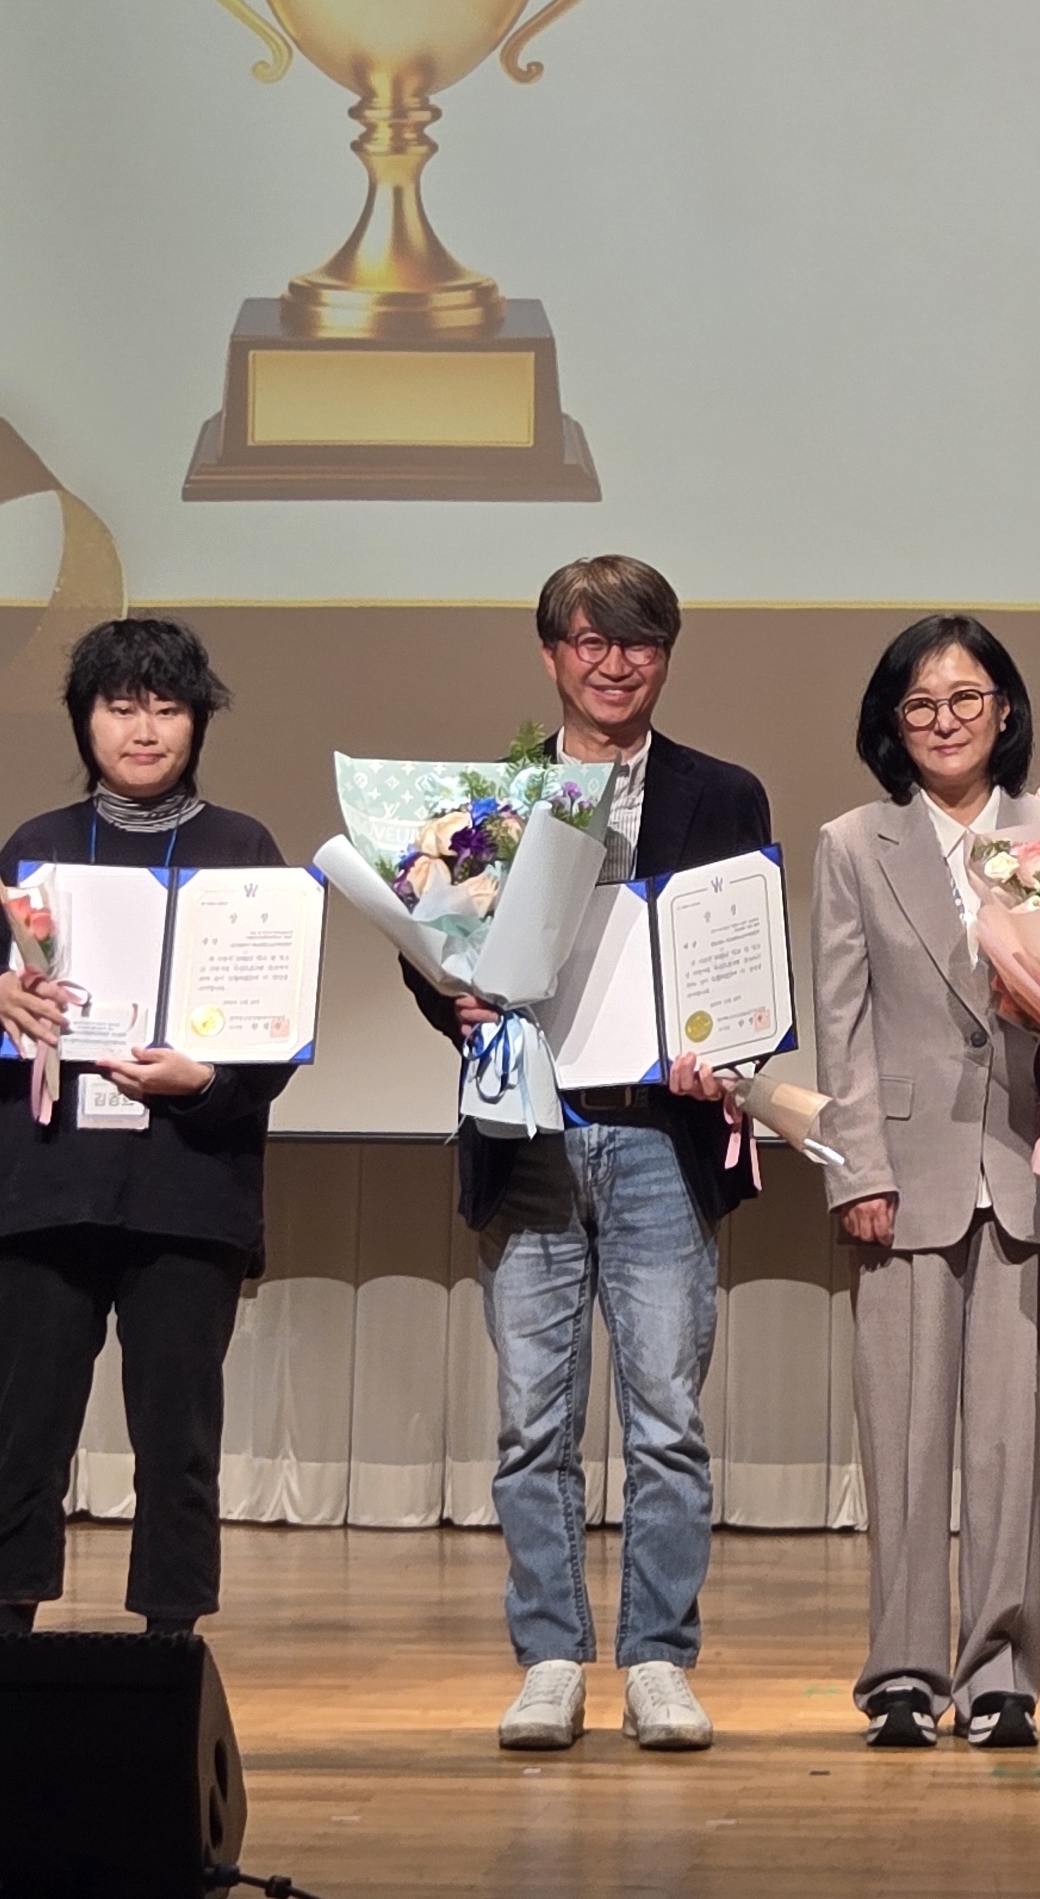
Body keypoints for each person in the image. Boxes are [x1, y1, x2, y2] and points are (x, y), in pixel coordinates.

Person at [401, 557, 777, 1756]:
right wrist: (451, 998)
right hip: (529, 1137)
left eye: (639, 642)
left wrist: (724, 1047)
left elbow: (739, 956)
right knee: (532, 1423)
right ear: (551, 654)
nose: (614, 664)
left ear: (666, 656)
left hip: (660, 1137)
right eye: (589, 641)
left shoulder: (724, 794)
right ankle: (551, 1658)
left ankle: (658, 1660)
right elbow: (435, 948)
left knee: (666, 1420)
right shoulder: (490, 802)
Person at [0, 616, 305, 1642]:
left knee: (178, 1437)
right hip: (45, 1186)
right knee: (26, 1429)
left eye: (167, 708)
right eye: (121, 707)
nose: (144, 730)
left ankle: (169, 1643)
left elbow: (275, 1035)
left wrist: (204, 1079)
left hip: (186, 1191)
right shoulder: (40, 846)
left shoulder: (242, 850)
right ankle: (5, 1634)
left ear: (197, 723)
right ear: (84, 720)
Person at [809, 614, 1040, 1751]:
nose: (946, 721)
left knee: (1016, 1442)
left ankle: (1003, 1673)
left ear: (1003, 712)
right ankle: (905, 1674)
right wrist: (855, 1169)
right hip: (903, 1173)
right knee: (904, 1439)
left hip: (1026, 1165)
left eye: (967, 699)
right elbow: (841, 1020)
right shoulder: (851, 842)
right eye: (921, 705)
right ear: (892, 724)